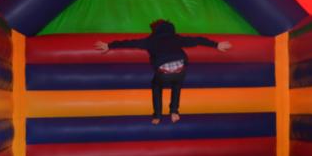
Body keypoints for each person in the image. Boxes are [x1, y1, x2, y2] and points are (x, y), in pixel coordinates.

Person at [94, 20, 232, 124]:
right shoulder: (177, 38)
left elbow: (129, 43)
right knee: (176, 85)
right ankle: (174, 112)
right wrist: (217, 45)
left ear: (155, 31)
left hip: (163, 72)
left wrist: (109, 45)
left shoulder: (150, 41)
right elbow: (198, 40)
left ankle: (157, 116)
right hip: (180, 68)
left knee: (156, 86)